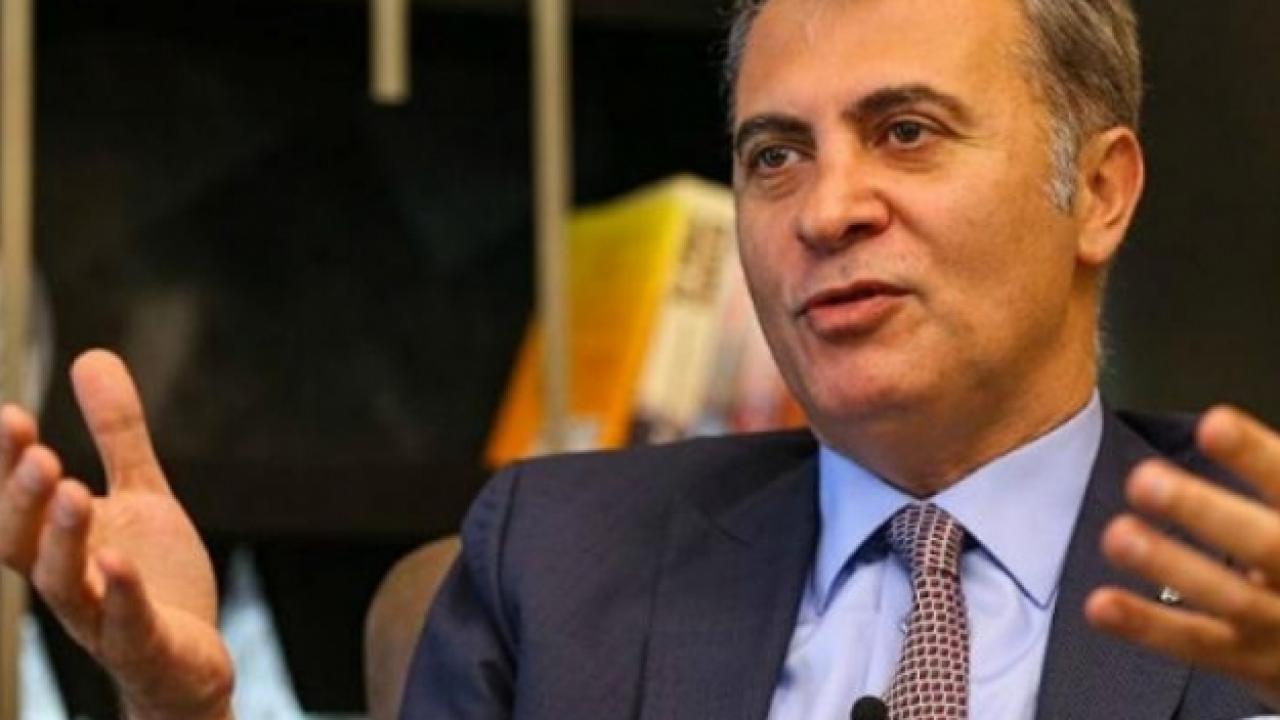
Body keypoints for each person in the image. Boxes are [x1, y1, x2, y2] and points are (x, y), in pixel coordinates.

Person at [3, 0, 1280, 717]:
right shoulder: (557, 565)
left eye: (903, 132)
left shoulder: (1254, 570)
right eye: (773, 155)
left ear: (1098, 193)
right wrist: (182, 716)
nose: (825, 210)